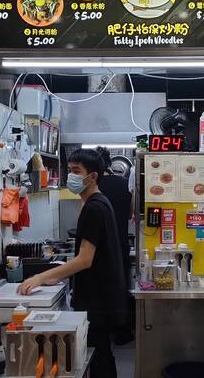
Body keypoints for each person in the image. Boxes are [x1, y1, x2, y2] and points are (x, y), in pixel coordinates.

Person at [19, 149, 127, 378]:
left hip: (97, 299)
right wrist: (55, 276)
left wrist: (40, 277)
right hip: (104, 296)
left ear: (93, 176)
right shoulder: (97, 202)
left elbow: (85, 259)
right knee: (102, 354)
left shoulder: (94, 208)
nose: (72, 177)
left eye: (77, 171)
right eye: (70, 170)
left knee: (99, 357)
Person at [95, 147, 134, 345]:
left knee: (100, 289)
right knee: (121, 286)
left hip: (98, 247)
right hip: (120, 243)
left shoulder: (92, 186)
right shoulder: (124, 184)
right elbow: (129, 215)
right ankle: (123, 331)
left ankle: (103, 331)